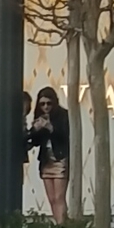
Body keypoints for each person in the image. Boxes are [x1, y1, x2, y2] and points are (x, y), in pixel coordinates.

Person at [26, 84, 71, 219]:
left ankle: (62, 227)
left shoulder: (63, 115)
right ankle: (59, 223)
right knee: (51, 198)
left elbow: (65, 136)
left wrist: (51, 128)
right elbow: (35, 141)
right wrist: (35, 130)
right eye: (42, 104)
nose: (46, 107)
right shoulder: (40, 117)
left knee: (59, 197)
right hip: (46, 160)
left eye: (49, 103)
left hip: (59, 158)